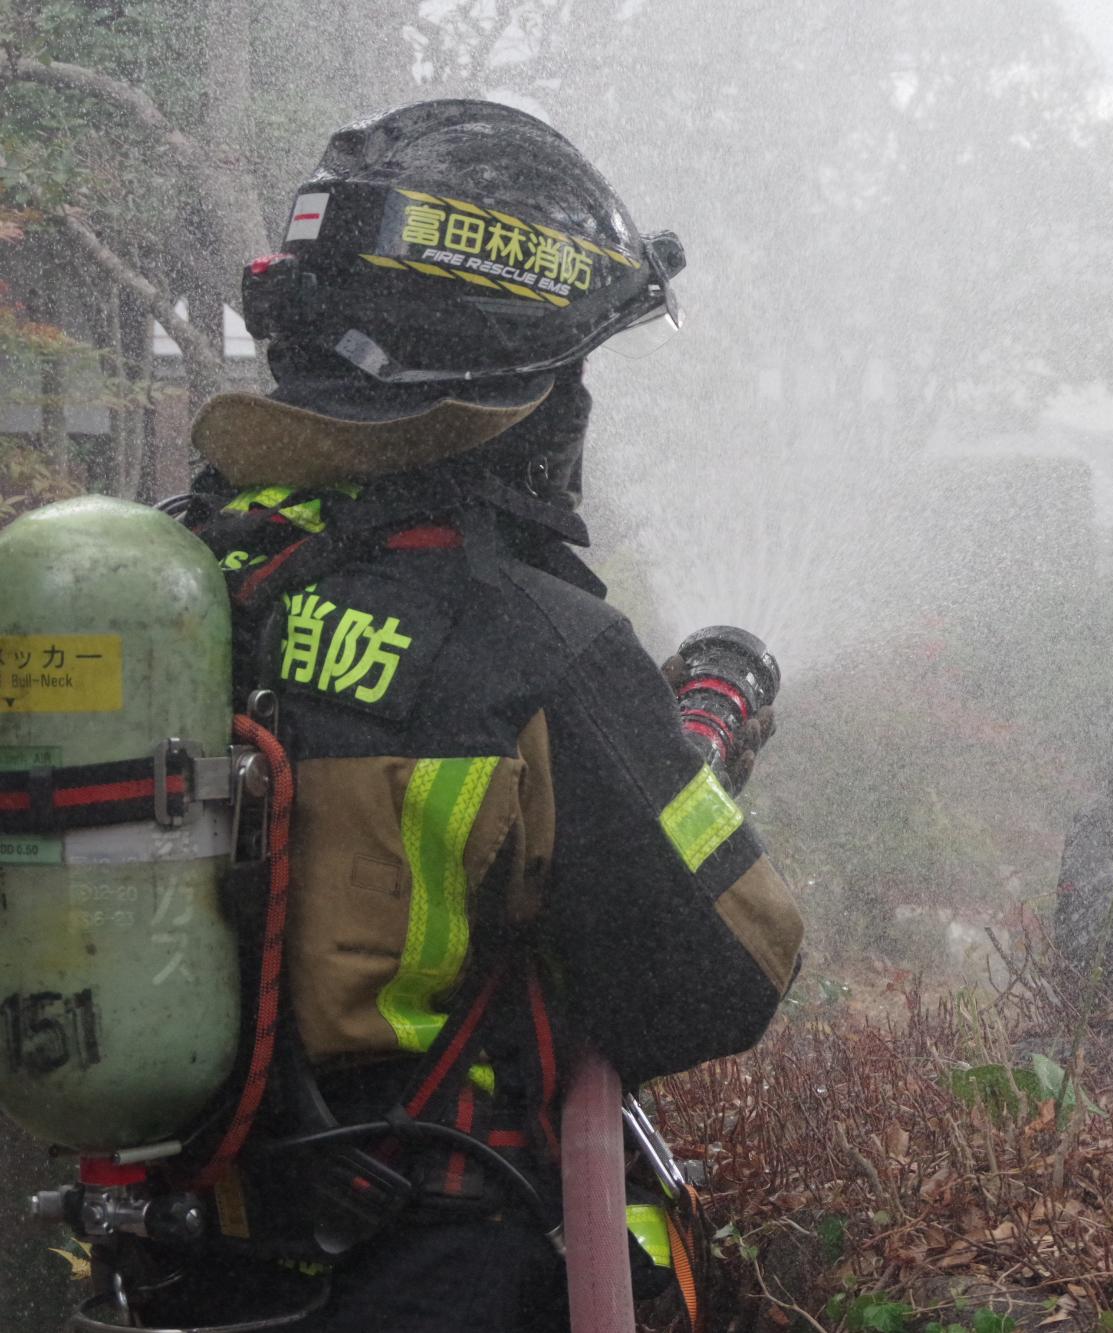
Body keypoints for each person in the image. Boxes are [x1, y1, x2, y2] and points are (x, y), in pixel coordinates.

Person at [124, 98, 803, 1332]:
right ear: (518, 382)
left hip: (172, 1258)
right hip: (431, 1271)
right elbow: (722, 974)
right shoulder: (538, 644)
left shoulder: (178, 583)